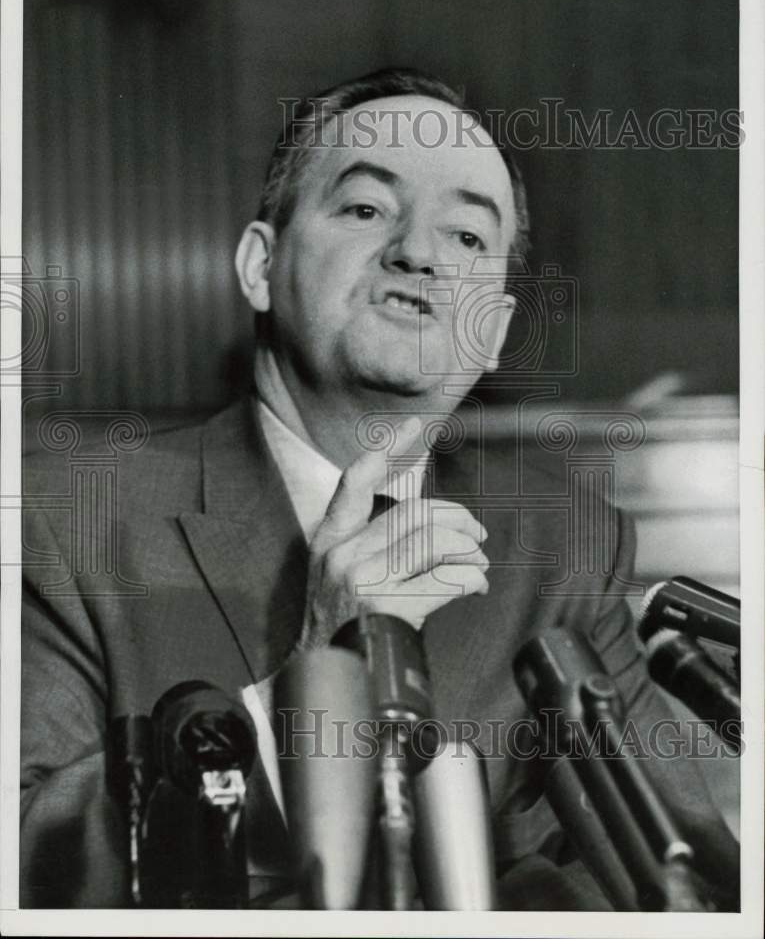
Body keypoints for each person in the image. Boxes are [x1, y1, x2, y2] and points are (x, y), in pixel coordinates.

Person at [20, 68, 738, 910]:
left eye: (468, 237)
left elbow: (682, 884)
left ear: (496, 329)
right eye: (365, 209)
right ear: (259, 264)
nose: (419, 252)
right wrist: (317, 687)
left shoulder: (565, 548)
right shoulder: (65, 519)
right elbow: (28, 858)